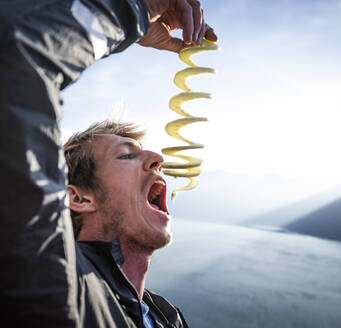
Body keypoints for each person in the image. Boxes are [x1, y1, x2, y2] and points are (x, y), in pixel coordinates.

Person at [0, 0, 217, 326]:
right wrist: (135, 10)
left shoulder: (168, 318)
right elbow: (16, 54)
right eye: (127, 155)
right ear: (78, 197)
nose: (158, 159)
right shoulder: (60, 288)